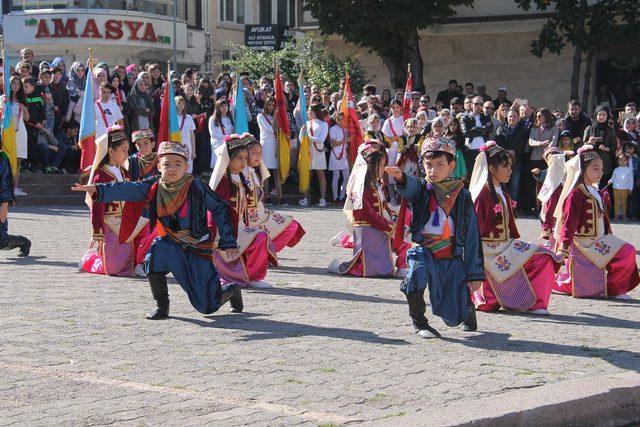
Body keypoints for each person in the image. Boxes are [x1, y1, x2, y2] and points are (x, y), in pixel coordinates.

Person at [73, 140, 243, 319]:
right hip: (170, 242)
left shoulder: (197, 186)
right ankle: (162, 306)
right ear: (159, 167)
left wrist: (228, 240)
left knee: (207, 306)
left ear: (186, 166)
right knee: (152, 259)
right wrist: (97, 190)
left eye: (177, 164)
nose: (172, 169)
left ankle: (232, 290)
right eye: (166, 164)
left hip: (197, 247)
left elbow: (220, 208)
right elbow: (128, 188)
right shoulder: (154, 186)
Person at [387, 138, 484, 338]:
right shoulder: (423, 189)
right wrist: (401, 178)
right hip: (424, 250)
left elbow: (472, 235)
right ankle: (420, 323)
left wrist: (474, 273)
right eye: (429, 165)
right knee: (415, 277)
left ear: (451, 166)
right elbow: (411, 187)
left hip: (450, 255)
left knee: (455, 307)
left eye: (440, 165)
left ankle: (467, 311)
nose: (433, 170)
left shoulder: (462, 195)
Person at [469, 141, 559, 315]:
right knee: (541, 256)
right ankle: (513, 298)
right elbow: (475, 232)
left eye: (510, 166)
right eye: (505, 166)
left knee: (544, 256)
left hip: (504, 245)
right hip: (489, 252)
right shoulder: (483, 194)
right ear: (492, 168)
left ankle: (536, 302)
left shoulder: (500, 190)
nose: (510, 170)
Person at [554, 146, 639, 299]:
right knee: (583, 286)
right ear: (583, 169)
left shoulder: (596, 192)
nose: (600, 173)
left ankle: (614, 288)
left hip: (600, 242)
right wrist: (563, 249)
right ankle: (610, 289)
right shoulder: (576, 194)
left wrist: (611, 238)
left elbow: (604, 221)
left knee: (627, 251)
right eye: (595, 169)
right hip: (584, 246)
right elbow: (569, 223)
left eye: (601, 169)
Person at [329, 142, 409, 278]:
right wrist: (389, 226)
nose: (383, 169)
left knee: (405, 235)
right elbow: (367, 214)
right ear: (370, 167)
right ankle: (341, 266)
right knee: (369, 269)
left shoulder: (376, 184)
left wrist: (394, 219)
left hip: (378, 227)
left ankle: (402, 266)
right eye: (380, 165)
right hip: (369, 229)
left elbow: (382, 207)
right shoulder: (361, 187)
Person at [209, 133, 277, 288]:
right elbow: (214, 212)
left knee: (260, 237)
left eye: (245, 158)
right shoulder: (222, 182)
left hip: (239, 227)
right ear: (228, 159)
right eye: (239, 158)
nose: (244, 162)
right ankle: (228, 276)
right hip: (222, 231)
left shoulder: (241, 179)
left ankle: (254, 276)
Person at [79, 127, 148, 276]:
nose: (126, 154)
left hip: (128, 220)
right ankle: (90, 260)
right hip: (111, 225)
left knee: (151, 228)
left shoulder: (124, 172)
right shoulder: (100, 175)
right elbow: (97, 206)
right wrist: (98, 231)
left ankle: (142, 263)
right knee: (116, 270)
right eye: (123, 150)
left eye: (127, 150)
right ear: (111, 151)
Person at [244, 140, 306, 252]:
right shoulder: (244, 175)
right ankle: (265, 252)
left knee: (291, 225)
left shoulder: (253, 173)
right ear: (245, 154)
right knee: (290, 225)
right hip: (251, 219)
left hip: (259, 214)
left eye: (259, 153)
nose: (257, 156)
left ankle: (266, 251)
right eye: (253, 153)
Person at [0, 76, 29, 196]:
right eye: (13, 83)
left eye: (18, 83)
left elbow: (27, 118)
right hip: (8, 133)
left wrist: (24, 108)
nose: (16, 85)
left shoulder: (22, 100)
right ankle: (5, 187)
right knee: (7, 160)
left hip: (21, 132)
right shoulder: (3, 98)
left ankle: (15, 188)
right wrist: (4, 103)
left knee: (17, 161)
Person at [536, 147, 568, 248]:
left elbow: (552, 207)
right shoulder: (550, 174)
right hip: (552, 211)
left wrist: (547, 228)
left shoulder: (562, 176)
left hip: (557, 213)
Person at [0, 150, 30, 257]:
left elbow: (5, 183)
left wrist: (4, 204)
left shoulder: (2, 157)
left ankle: (23, 242)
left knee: (2, 240)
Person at [301, 103, 329, 207]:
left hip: (319, 152)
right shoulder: (307, 123)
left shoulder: (323, 124)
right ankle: (305, 198)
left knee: (320, 174)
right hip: (307, 151)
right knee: (306, 175)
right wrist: (302, 134)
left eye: (310, 111)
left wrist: (308, 138)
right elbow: (301, 138)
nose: (308, 112)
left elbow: (321, 139)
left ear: (316, 112)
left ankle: (322, 199)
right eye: (308, 110)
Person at [583, 106, 617, 187]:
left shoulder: (610, 130)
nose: (601, 117)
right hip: (591, 161)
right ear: (596, 115)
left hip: (605, 164)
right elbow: (582, 146)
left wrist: (606, 149)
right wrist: (589, 143)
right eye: (599, 114)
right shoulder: (589, 129)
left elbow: (614, 147)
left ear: (608, 116)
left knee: (603, 188)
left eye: (604, 115)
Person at [256, 96, 281, 202]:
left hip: (275, 144)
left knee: (276, 172)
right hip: (266, 145)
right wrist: (275, 117)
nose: (271, 107)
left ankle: (280, 197)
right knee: (265, 172)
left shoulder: (274, 116)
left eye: (273, 105)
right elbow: (270, 130)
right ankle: (265, 196)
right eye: (269, 104)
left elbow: (279, 130)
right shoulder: (260, 116)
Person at [461, 95, 494, 173]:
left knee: (484, 174)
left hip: (484, 150)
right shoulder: (465, 117)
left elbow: (490, 129)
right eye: (476, 104)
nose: (478, 106)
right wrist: (482, 131)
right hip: (471, 150)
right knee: (472, 174)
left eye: (480, 104)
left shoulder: (486, 117)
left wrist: (474, 129)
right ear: (472, 104)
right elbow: (466, 133)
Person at [382, 99, 405, 205]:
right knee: (391, 173)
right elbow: (384, 136)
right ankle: (392, 197)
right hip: (391, 150)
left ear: (400, 107)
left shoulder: (404, 119)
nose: (395, 109)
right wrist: (394, 138)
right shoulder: (388, 121)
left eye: (397, 107)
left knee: (401, 171)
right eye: (393, 107)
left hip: (402, 148)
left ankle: (402, 197)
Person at [329, 111, 350, 203]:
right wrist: (346, 140)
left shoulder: (345, 130)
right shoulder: (333, 129)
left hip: (344, 154)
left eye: (342, 119)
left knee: (346, 177)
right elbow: (333, 143)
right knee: (336, 176)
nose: (341, 121)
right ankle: (335, 197)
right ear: (335, 120)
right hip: (335, 154)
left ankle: (342, 196)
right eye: (338, 119)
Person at [209, 99, 234, 169]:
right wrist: (227, 137)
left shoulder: (230, 118)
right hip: (218, 145)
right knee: (219, 166)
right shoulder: (213, 119)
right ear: (218, 108)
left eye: (226, 106)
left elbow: (232, 130)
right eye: (222, 106)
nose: (224, 108)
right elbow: (213, 134)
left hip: (228, 145)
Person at [608, 153, 634, 221]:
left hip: (625, 189)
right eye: (620, 160)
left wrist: (630, 189)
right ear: (618, 161)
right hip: (616, 188)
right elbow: (613, 178)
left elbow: (631, 180)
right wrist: (610, 181)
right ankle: (616, 216)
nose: (622, 162)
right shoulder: (616, 170)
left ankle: (624, 216)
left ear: (627, 161)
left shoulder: (628, 170)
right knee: (616, 202)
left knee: (624, 203)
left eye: (624, 160)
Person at [175, 96, 196, 174]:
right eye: (178, 103)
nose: (181, 106)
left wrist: (193, 151)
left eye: (182, 104)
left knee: (188, 169)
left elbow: (192, 135)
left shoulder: (188, 117)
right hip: (176, 146)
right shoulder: (172, 118)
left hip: (187, 146)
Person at [444, 117, 467, 182]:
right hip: (447, 156)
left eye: (454, 125)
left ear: (458, 125)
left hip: (458, 156)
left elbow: (461, 147)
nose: (452, 126)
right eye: (451, 125)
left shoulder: (461, 135)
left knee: (458, 174)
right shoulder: (445, 136)